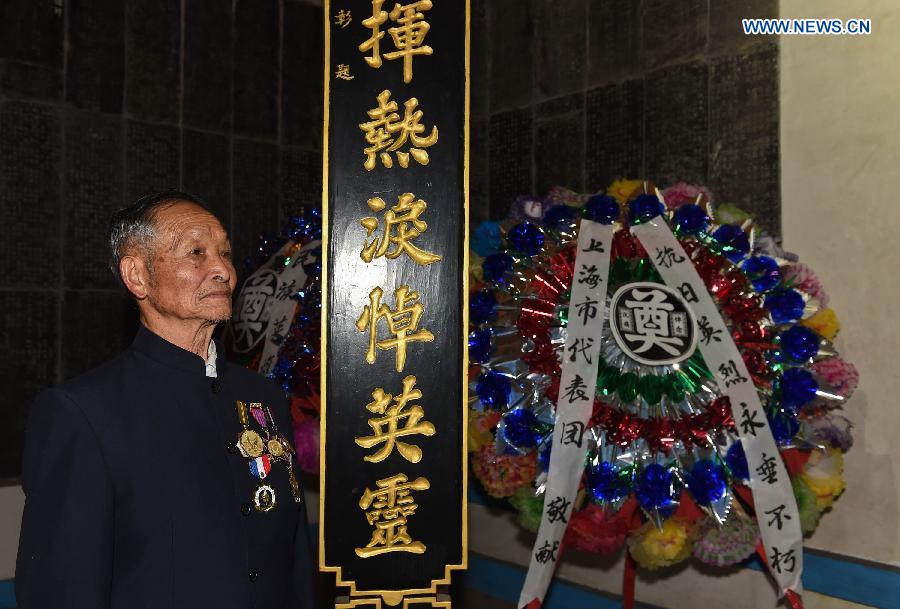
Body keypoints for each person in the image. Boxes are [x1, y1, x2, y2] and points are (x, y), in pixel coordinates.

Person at [16, 191, 315, 609]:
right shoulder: (84, 413)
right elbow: (62, 588)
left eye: (225, 252)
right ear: (137, 276)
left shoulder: (263, 399)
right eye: (196, 253)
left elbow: (294, 558)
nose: (223, 270)